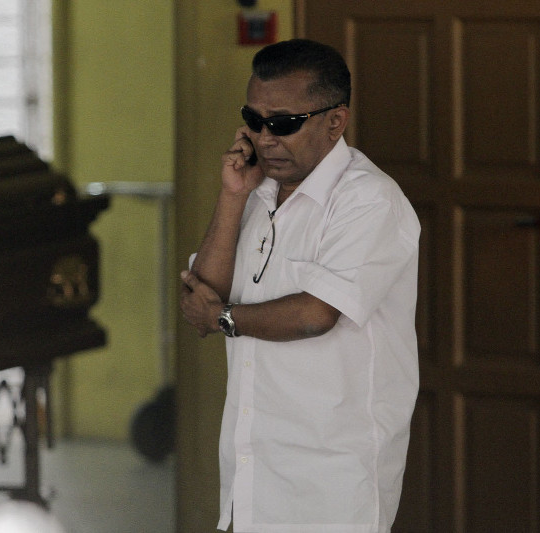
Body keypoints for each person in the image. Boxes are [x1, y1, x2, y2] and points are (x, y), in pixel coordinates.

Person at [179, 38, 420, 533]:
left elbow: (315, 315)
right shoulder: (257, 191)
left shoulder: (369, 201)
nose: (265, 138)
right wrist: (232, 196)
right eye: (253, 120)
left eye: (283, 123)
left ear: (335, 121)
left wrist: (222, 317)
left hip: (331, 476)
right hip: (253, 464)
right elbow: (204, 289)